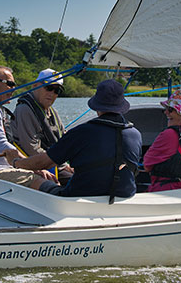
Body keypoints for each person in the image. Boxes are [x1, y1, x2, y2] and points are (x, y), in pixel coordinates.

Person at [14, 79, 142, 201]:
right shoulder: (136, 134)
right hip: (124, 195)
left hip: (80, 197)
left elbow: (43, 163)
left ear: (97, 107)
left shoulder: (82, 132)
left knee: (36, 181)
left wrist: (16, 163)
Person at [10, 68, 73, 183]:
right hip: (38, 164)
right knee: (79, 182)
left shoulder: (53, 112)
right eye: (48, 88)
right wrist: (62, 164)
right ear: (35, 86)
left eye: (57, 90)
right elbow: (30, 147)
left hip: (55, 162)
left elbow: (64, 138)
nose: (52, 93)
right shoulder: (24, 110)